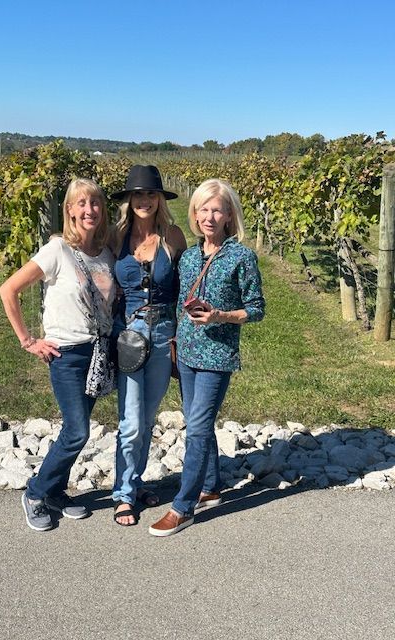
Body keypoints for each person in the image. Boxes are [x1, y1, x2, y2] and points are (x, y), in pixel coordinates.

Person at [149, 178, 265, 537]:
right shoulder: (188, 257)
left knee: (197, 428)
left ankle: (183, 507)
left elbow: (257, 309)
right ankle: (211, 487)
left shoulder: (241, 256)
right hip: (185, 353)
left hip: (217, 355)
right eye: (203, 209)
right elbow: (180, 303)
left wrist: (221, 316)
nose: (209, 216)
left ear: (229, 215)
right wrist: (173, 341)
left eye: (217, 209)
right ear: (195, 214)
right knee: (197, 422)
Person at [0, 178, 116, 532]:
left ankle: (54, 492)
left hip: (97, 352)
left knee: (72, 428)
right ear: (69, 210)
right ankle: (35, 492)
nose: (88, 210)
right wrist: (28, 340)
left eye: (94, 203)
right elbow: (9, 290)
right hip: (65, 355)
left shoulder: (106, 252)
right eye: (80, 203)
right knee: (78, 431)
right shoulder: (57, 250)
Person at [110, 165, 187, 526]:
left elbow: (185, 287)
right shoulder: (116, 237)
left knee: (147, 416)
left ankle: (135, 481)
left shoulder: (172, 236)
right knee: (130, 420)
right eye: (137, 194)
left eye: (150, 194)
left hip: (163, 334)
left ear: (159, 199)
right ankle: (123, 494)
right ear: (129, 199)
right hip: (128, 335)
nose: (144, 200)